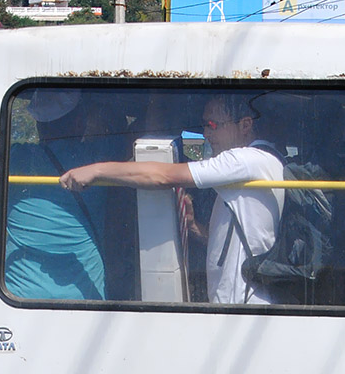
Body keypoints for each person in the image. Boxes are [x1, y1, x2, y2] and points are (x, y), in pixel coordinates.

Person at [61, 95, 285, 305]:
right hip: (236, 303)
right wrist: (194, 227)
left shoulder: (245, 160)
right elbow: (246, 240)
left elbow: (162, 176)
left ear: (245, 125)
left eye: (212, 125)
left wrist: (97, 170)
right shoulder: (263, 160)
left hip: (240, 304)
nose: (206, 134)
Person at [4, 89, 113, 301]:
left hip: (17, 296)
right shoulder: (99, 158)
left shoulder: (15, 158)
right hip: (84, 298)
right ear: (79, 120)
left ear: (38, 123)